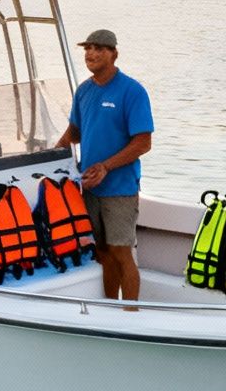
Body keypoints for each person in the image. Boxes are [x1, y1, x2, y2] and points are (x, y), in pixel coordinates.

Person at [53, 28, 153, 300]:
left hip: (119, 189)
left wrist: (106, 167)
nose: (91, 53)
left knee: (121, 253)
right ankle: (110, 309)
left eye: (98, 48)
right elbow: (74, 132)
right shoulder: (84, 91)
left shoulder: (132, 91)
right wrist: (48, 156)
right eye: (87, 48)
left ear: (114, 54)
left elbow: (143, 142)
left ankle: (131, 313)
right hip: (90, 189)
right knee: (103, 253)